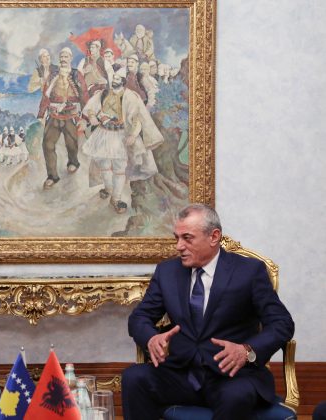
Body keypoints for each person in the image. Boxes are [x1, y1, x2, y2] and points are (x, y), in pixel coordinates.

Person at [121, 204, 295, 420]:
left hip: (231, 375)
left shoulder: (249, 271)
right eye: (177, 238)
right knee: (134, 378)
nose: (179, 246)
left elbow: (282, 323)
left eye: (187, 238)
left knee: (236, 396)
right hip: (181, 373)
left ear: (214, 236)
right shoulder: (167, 271)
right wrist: (151, 338)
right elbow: (140, 317)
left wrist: (247, 350)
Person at [81, 68, 160, 213]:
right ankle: (108, 188)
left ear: (123, 81)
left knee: (119, 168)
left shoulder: (131, 97)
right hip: (103, 133)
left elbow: (137, 119)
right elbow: (91, 107)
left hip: (121, 135)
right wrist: (92, 116)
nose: (114, 80)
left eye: (117, 78)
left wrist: (133, 135)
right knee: (104, 165)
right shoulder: (104, 93)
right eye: (114, 77)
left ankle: (116, 199)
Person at [38, 47, 89, 189]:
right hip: (54, 115)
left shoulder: (76, 75)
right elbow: (45, 95)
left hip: (71, 115)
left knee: (71, 144)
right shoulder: (52, 75)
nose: (63, 59)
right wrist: (41, 115)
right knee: (47, 144)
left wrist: (84, 117)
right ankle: (52, 176)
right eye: (61, 57)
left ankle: (73, 162)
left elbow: (84, 95)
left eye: (66, 57)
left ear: (71, 58)